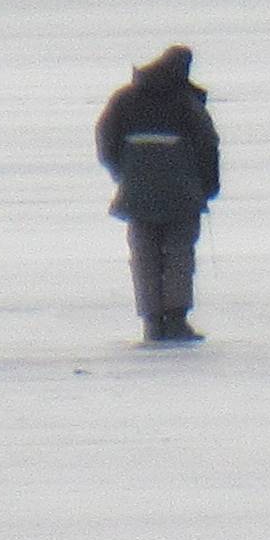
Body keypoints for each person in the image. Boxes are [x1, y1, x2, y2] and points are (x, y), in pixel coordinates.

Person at [96, 45, 222, 343]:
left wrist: (123, 173)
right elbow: (208, 145)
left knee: (144, 255)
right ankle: (176, 321)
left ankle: (153, 322)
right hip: (182, 191)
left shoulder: (124, 99)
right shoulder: (186, 102)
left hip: (138, 191)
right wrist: (208, 185)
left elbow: (106, 139)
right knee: (179, 253)